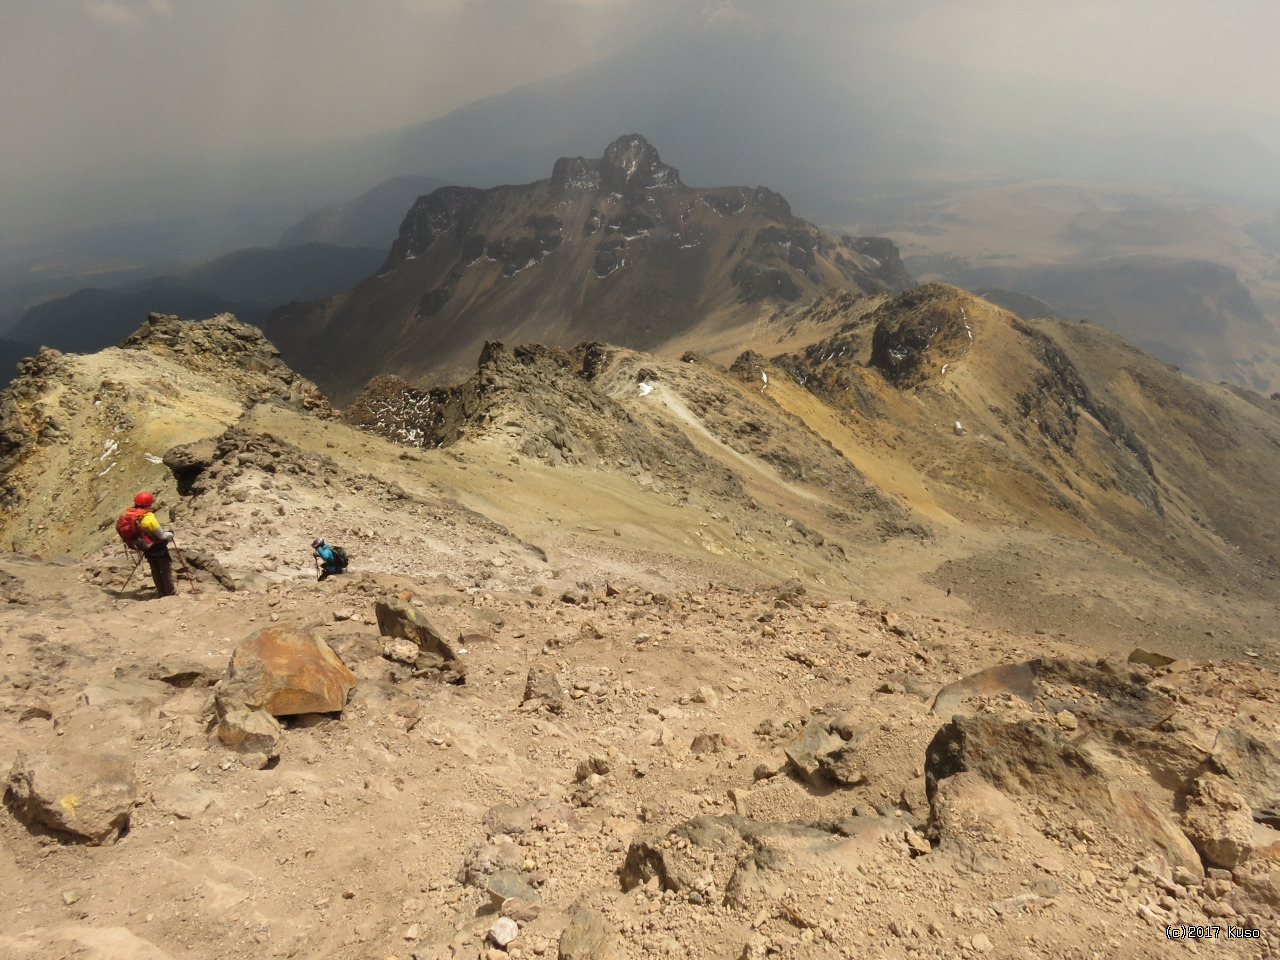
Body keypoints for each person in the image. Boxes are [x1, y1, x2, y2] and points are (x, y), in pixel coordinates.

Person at [123, 491, 176, 597]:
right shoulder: (148, 518)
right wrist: (170, 534)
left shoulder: (131, 515)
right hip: (158, 547)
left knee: (155, 570)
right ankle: (170, 592)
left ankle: (161, 592)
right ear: (148, 504)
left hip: (146, 548)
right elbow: (161, 536)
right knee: (165, 569)